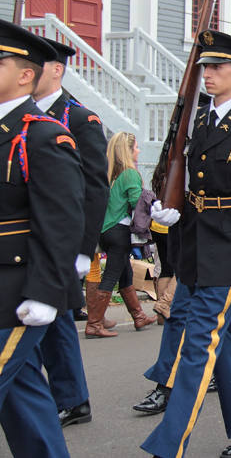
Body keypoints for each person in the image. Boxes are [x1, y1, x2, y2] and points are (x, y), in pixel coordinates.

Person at [142, 30, 231, 457]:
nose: (208, 74)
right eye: (205, 67)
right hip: (195, 246)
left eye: (218, 67)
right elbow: (191, 184)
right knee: (226, 344)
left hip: (230, 250)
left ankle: (169, 446)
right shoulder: (199, 120)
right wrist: (173, 211)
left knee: (199, 345)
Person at [0, 18, 82, 457]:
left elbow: (62, 220)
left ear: (25, 74)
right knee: (23, 399)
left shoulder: (44, 135)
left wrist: (47, 293)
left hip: (17, 289)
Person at [31, 37, 108, 426]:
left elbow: (95, 189)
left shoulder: (79, 119)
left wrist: (83, 249)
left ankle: (72, 399)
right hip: (21, 236)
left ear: (56, 69)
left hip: (58, 240)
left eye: (34, 63)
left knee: (55, 320)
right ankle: (65, 398)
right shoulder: (15, 116)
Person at [88, 132, 157, 339]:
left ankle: (138, 316)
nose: (138, 150)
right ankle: (94, 323)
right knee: (110, 276)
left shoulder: (110, 173)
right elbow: (138, 203)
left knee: (124, 273)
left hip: (105, 230)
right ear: (127, 150)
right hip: (121, 230)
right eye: (135, 147)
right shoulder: (130, 173)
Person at [149, 160, 177, 324]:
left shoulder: (159, 174)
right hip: (170, 225)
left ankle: (161, 314)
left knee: (166, 269)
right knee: (180, 267)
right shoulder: (176, 172)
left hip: (157, 225)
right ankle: (164, 303)